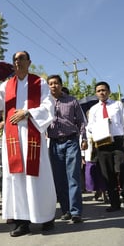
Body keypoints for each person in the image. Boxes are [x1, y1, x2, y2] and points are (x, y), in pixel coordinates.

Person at [0, 51, 56, 237]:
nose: (18, 62)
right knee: (15, 179)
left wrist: (28, 112)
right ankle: (21, 222)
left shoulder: (40, 83)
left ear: (29, 62)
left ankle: (46, 217)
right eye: (15, 59)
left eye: (21, 58)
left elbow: (49, 106)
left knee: (38, 177)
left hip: (33, 136)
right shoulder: (7, 84)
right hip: (12, 139)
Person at [86, 81, 124, 212]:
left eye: (104, 90)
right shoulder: (94, 109)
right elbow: (90, 127)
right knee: (107, 174)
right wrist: (101, 124)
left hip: (117, 142)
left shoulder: (118, 105)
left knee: (122, 169)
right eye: (98, 91)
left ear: (109, 91)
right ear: (96, 94)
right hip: (102, 143)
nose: (101, 92)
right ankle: (114, 202)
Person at [46, 75, 87, 223]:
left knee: (73, 177)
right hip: (54, 143)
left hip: (71, 141)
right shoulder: (45, 103)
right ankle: (66, 210)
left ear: (61, 85)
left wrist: (84, 138)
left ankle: (76, 212)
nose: (53, 86)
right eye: (50, 84)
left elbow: (82, 121)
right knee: (59, 179)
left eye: (56, 83)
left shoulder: (71, 100)